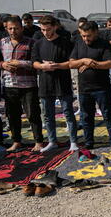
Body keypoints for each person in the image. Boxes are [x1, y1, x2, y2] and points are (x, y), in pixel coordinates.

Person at [70, 21, 111, 151]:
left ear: (96, 33)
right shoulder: (79, 43)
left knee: (108, 115)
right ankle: (89, 142)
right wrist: (83, 61)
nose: (86, 39)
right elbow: (71, 63)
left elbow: (110, 63)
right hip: (84, 88)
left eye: (89, 36)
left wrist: (92, 64)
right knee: (86, 117)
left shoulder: (103, 44)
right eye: (83, 36)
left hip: (101, 88)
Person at [31, 16, 78, 152]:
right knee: (48, 114)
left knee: (68, 113)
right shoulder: (38, 43)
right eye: (43, 29)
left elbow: (71, 62)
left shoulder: (65, 42)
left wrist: (57, 65)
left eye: (48, 29)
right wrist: (42, 66)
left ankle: (73, 141)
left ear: (55, 27)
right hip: (46, 83)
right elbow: (34, 62)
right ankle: (52, 141)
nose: (45, 32)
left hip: (62, 82)